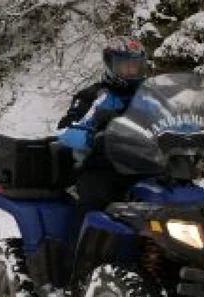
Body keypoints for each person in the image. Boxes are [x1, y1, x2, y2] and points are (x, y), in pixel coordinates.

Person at [57, 36, 148, 248]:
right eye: (126, 65)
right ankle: (73, 270)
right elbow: (64, 131)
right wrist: (93, 136)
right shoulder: (94, 96)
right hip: (102, 168)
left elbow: (172, 121)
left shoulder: (151, 97)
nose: (131, 71)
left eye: (136, 66)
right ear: (110, 65)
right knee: (93, 203)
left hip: (145, 168)